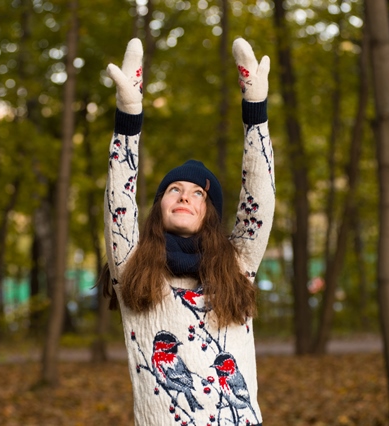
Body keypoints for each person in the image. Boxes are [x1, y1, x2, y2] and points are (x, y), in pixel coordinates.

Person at [103, 37, 274, 426]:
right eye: (174, 189)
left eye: (198, 193)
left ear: (209, 213)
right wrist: (128, 118)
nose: (185, 197)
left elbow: (259, 198)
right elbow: (119, 200)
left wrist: (255, 113)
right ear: (159, 204)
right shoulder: (132, 266)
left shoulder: (237, 265)